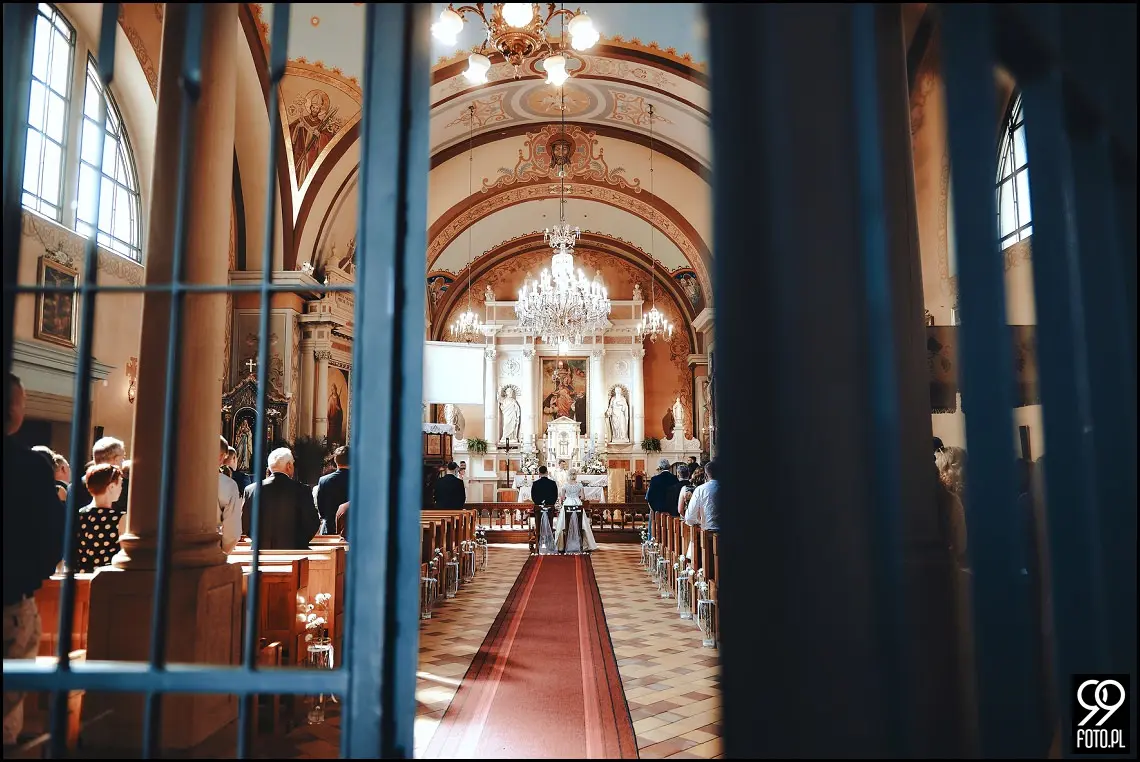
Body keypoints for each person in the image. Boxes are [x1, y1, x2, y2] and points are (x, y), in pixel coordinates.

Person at [4, 374, 66, 746]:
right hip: (11, 600)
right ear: (14, 409)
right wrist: (32, 575)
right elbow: (50, 538)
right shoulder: (28, 468)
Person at [241, 447, 322, 549]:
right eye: (292, 464)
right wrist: (299, 542)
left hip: (261, 551)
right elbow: (312, 522)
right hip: (295, 552)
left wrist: (261, 540)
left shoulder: (251, 490)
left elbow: (245, 524)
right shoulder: (302, 490)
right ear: (288, 466)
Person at [74, 464, 128, 573]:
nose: (121, 488)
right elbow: (125, 555)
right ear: (111, 487)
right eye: (120, 484)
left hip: (80, 578)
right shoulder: (120, 518)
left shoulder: (79, 515)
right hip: (106, 580)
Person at [554, 469, 598, 554]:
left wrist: (566, 498)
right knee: (582, 524)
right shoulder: (579, 485)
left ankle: (561, 545)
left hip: (567, 503)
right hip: (577, 503)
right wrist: (577, 497)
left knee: (563, 524)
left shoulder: (565, 485)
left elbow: (562, 498)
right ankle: (584, 544)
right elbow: (583, 497)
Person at [315, 446, 350, 535]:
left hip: (329, 528)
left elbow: (321, 507)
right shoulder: (359, 481)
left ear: (335, 461)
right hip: (349, 528)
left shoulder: (324, 480)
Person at [217, 436, 243, 554]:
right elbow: (232, 534)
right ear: (222, 457)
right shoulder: (227, 485)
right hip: (210, 550)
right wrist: (223, 552)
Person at [645, 458, 679, 539]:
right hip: (672, 512)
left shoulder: (655, 479)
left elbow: (650, 497)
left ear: (659, 468)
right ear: (669, 467)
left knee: (656, 532)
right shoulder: (674, 478)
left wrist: (654, 509)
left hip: (658, 510)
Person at [684, 460, 719, 532]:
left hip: (708, 531)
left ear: (706, 475)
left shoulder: (701, 489)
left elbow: (690, 517)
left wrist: (700, 522)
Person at [530, 466, 559, 554]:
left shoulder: (535, 483)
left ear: (539, 473)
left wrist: (539, 504)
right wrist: (550, 505)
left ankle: (539, 544)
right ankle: (549, 543)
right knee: (550, 525)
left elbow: (533, 497)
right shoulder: (553, 483)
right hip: (550, 508)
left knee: (538, 525)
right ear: (547, 472)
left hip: (538, 509)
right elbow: (555, 495)